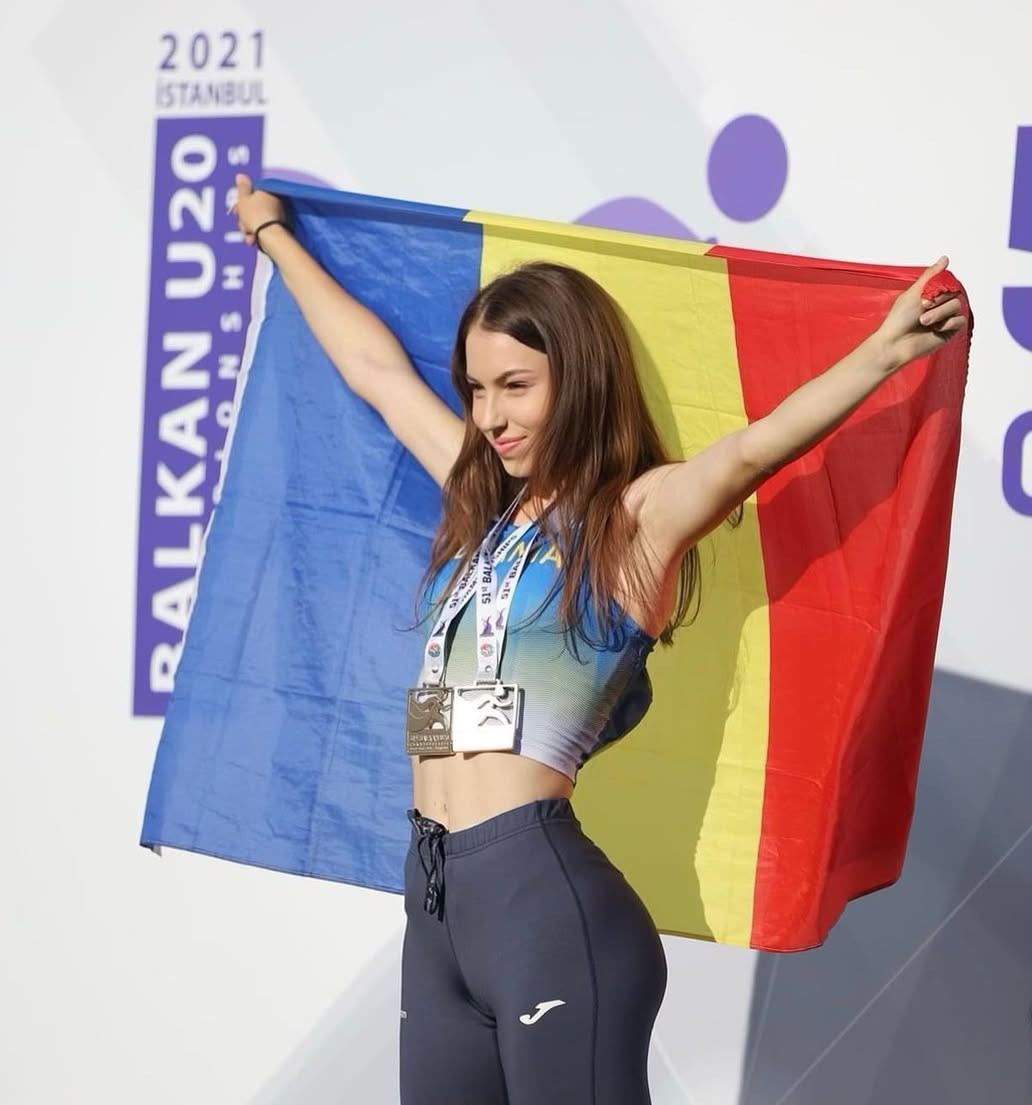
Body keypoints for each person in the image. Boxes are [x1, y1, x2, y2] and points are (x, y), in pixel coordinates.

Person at [230, 174, 966, 1105]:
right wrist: (274, 237)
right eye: (476, 389)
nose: (490, 417)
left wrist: (886, 350)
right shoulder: (480, 505)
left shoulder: (634, 523)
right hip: (435, 907)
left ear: (574, 380)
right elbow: (376, 372)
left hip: (543, 908)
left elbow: (753, 450)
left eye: (515, 387)